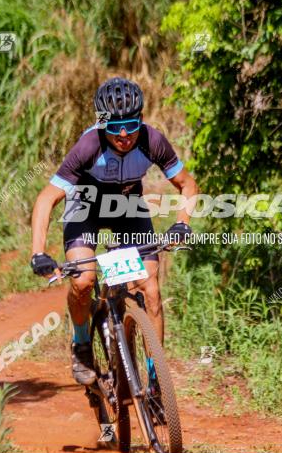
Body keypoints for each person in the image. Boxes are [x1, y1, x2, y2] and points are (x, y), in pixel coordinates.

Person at [29, 77, 198, 385]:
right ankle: (81, 343)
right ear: (101, 123)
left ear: (142, 120)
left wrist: (182, 222)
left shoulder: (152, 141)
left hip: (127, 211)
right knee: (84, 281)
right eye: (115, 127)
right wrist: (38, 252)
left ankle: (155, 378)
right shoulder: (89, 146)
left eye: (131, 125)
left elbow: (187, 184)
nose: (123, 135)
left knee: (150, 290)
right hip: (85, 209)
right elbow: (46, 198)